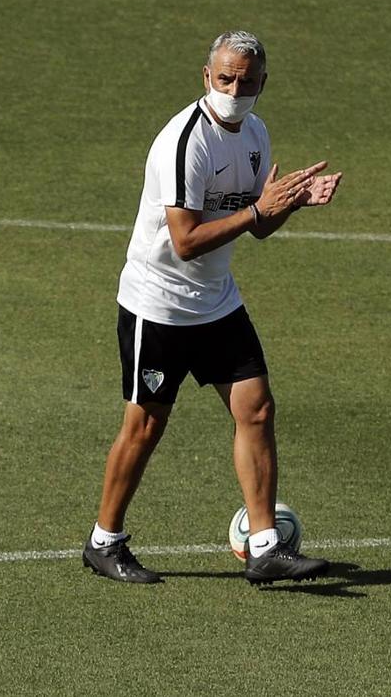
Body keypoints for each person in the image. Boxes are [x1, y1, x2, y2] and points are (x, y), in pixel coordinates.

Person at [82, 30, 342, 585]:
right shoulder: (186, 141)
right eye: (225, 78)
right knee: (146, 425)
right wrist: (257, 212)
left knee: (257, 409)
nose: (234, 88)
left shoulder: (255, 134)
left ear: (262, 84)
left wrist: (293, 203)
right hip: (159, 305)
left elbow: (261, 225)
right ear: (207, 77)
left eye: (246, 81)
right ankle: (104, 541)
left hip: (215, 301)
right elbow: (186, 240)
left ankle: (266, 545)